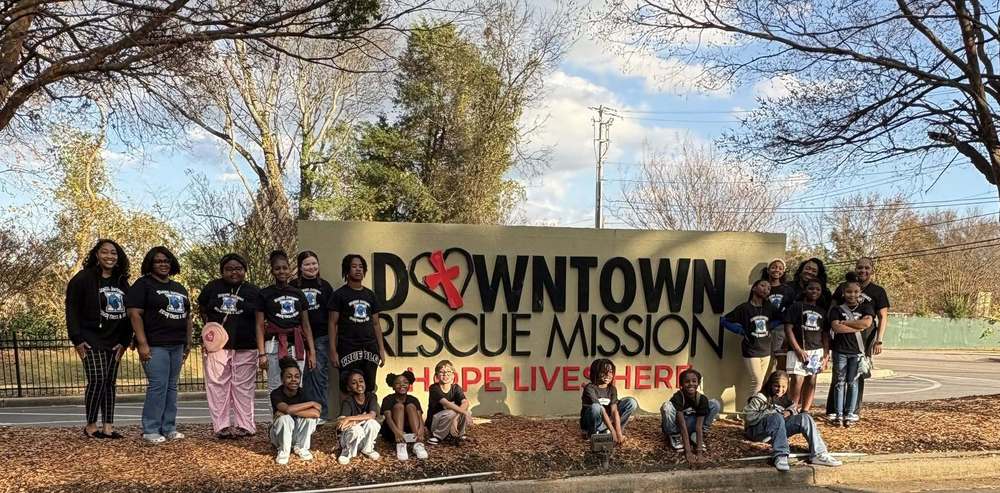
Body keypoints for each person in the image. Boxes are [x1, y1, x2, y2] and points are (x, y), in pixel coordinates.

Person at [65, 239, 132, 439]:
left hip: (115, 340)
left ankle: (108, 426)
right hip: (91, 338)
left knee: (110, 382)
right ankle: (91, 425)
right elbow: (71, 310)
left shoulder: (122, 281)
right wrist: (77, 339)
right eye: (105, 252)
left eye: (113, 253)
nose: (109, 256)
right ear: (96, 254)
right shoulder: (83, 279)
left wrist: (125, 340)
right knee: (97, 379)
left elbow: (130, 312)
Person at [127, 246, 192, 444]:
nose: (163, 264)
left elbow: (188, 317)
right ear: (150, 264)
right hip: (155, 344)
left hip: (177, 344)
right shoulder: (143, 285)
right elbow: (134, 314)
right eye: (158, 261)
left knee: (171, 387)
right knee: (158, 385)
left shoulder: (179, 288)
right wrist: (142, 343)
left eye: (166, 261)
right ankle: (151, 429)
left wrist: (188, 342)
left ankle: (169, 427)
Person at [198, 253, 261, 438]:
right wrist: (210, 331)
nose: (234, 272)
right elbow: (202, 308)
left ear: (245, 270)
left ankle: (245, 425)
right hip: (218, 346)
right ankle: (221, 426)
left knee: (244, 386)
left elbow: (260, 318)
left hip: (246, 344)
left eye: (238, 269)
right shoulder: (212, 287)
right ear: (222, 271)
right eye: (229, 269)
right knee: (217, 385)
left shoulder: (253, 291)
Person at [826, 257, 891, 419]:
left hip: (863, 342)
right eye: (860, 267)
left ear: (872, 270)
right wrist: (836, 328)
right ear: (855, 269)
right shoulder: (843, 287)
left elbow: (882, 317)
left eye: (867, 268)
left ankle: (852, 411)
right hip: (841, 341)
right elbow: (832, 310)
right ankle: (834, 410)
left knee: (856, 376)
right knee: (838, 376)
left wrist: (879, 340)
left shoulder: (878, 291)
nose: (863, 271)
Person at [744, 370, 842, 472]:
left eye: (783, 387)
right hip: (758, 432)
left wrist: (789, 412)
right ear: (770, 385)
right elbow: (749, 417)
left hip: (777, 432)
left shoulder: (785, 398)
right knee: (777, 417)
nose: (780, 390)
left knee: (805, 417)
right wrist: (771, 413)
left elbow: (793, 408)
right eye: (776, 386)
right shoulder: (760, 398)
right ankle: (780, 455)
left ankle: (819, 454)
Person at [256, 250, 317, 392]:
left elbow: (306, 324)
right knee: (275, 385)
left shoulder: (298, 293)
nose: (281, 271)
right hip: (274, 344)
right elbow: (259, 325)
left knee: (296, 384)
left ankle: (295, 409)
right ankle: (277, 409)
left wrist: (312, 351)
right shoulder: (264, 294)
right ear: (272, 271)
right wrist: (262, 353)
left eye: (284, 268)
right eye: (277, 268)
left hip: (296, 343)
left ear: (289, 269)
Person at [330, 254, 387, 394]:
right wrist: (333, 350)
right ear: (347, 270)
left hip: (369, 347)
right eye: (354, 266)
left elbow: (376, 324)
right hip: (347, 347)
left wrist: (381, 349)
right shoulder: (339, 295)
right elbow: (332, 323)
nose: (358, 269)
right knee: (347, 387)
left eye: (361, 267)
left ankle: (369, 409)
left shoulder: (370, 295)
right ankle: (347, 410)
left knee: (369, 386)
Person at [292, 251, 335, 423]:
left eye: (314, 263)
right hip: (297, 338)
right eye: (307, 264)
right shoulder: (293, 286)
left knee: (318, 375)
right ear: (300, 267)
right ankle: (301, 413)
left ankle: (320, 413)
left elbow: (332, 315)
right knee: (299, 376)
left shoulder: (325, 286)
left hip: (321, 337)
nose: (312, 267)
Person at [827, 273, 875, 427]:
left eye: (855, 292)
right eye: (848, 292)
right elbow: (836, 327)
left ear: (860, 293)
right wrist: (856, 325)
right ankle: (839, 414)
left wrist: (846, 323)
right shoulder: (837, 309)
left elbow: (866, 324)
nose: (852, 295)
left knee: (853, 382)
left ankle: (850, 414)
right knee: (839, 382)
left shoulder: (866, 308)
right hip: (840, 350)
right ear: (843, 293)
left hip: (857, 351)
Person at [722, 279, 781, 398]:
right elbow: (724, 320)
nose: (766, 289)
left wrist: (770, 326)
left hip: (766, 350)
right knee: (757, 381)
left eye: (769, 288)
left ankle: (753, 407)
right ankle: (752, 408)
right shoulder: (744, 308)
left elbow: (781, 318)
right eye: (763, 286)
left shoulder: (769, 307)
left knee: (761, 382)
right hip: (751, 349)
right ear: (754, 288)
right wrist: (739, 330)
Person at [783, 279, 830, 413]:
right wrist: (797, 349)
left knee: (811, 380)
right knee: (797, 380)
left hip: (816, 351)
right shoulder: (796, 307)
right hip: (797, 350)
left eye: (818, 289)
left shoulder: (822, 311)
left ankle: (805, 411)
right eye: (811, 288)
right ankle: (792, 409)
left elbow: (825, 334)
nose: (814, 291)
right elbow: (788, 328)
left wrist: (826, 355)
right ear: (805, 290)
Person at [660, 368, 721, 466]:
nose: (691, 384)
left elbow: (698, 426)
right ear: (681, 384)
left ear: (698, 383)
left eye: (694, 381)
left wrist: (699, 453)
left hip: (694, 426)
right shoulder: (678, 397)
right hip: (680, 426)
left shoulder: (702, 399)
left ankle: (695, 436)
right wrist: (688, 452)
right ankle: (675, 436)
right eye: (687, 382)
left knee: (715, 404)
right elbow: (682, 426)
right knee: (667, 406)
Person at [269, 356, 320, 465]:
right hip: (278, 436)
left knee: (310, 419)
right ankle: (283, 451)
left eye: (297, 377)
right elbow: (287, 409)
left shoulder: (303, 393)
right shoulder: (276, 393)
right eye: (289, 377)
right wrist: (311, 404)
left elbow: (316, 413)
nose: (293, 380)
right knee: (285, 419)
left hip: (297, 435)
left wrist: (289, 411)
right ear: (282, 379)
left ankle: (301, 448)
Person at [580, 358, 637, 445]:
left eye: (610, 372)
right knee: (596, 407)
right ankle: (593, 433)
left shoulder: (612, 389)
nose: (608, 375)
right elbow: (601, 410)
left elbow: (614, 410)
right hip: (592, 422)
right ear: (596, 372)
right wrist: (613, 432)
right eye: (604, 372)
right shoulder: (590, 388)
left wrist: (618, 433)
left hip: (607, 421)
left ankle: (608, 431)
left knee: (631, 402)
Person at [380, 370, 429, 461]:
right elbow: (388, 419)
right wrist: (397, 432)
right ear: (393, 386)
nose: (402, 385)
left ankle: (418, 444)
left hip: (410, 431)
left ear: (409, 385)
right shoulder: (388, 399)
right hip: (393, 431)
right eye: (397, 383)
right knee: (399, 406)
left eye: (405, 382)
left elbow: (419, 417)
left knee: (411, 406)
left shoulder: (414, 399)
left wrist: (421, 430)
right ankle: (401, 445)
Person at [336, 369, 382, 464]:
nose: (359, 385)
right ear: (349, 388)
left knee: (373, 423)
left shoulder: (371, 397)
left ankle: (368, 449)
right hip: (349, 438)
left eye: (361, 381)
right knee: (356, 429)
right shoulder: (348, 401)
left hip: (363, 438)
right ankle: (346, 453)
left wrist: (350, 418)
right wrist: (363, 417)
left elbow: (372, 415)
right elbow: (341, 424)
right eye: (354, 383)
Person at [425, 360, 473, 445]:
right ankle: (437, 436)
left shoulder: (456, 388)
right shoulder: (434, 388)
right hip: (435, 423)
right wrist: (463, 413)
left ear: (453, 375)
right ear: (436, 375)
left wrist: (456, 418)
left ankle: (459, 434)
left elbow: (465, 402)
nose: (445, 374)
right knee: (453, 412)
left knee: (464, 410)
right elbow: (446, 404)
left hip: (450, 420)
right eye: (441, 372)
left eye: (448, 372)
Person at [762, 258, 793, 373]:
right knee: (765, 358)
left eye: (780, 268)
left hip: (780, 328)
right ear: (768, 270)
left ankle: (777, 381)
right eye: (774, 267)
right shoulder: (762, 287)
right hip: (764, 326)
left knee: (777, 359)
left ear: (783, 272)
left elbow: (791, 310)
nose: (777, 270)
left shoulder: (787, 290)